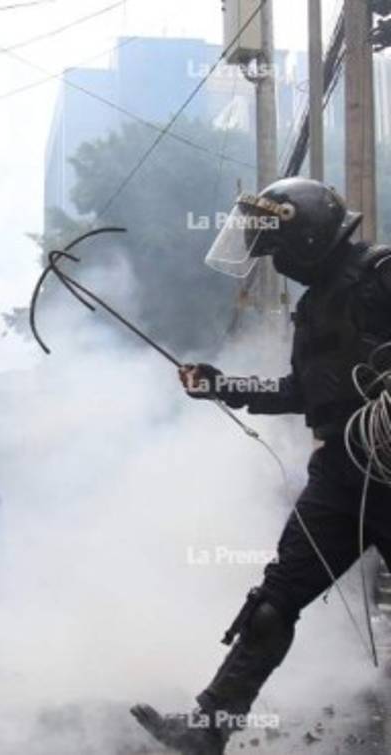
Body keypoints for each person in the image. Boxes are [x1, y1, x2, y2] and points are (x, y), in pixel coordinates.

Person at [131, 178, 391, 754]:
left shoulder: (382, 275)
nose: (274, 263)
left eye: (276, 250)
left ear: (306, 241)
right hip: (340, 481)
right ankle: (206, 729)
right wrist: (224, 385)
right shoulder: (314, 303)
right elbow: (301, 389)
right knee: (274, 604)